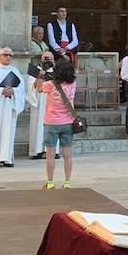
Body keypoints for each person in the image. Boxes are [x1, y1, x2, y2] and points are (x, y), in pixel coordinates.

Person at [39, 58, 78, 190]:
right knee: (67, 155)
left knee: (50, 155)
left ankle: (50, 182)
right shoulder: (73, 84)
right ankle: (67, 182)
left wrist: (42, 72)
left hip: (51, 122)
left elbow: (39, 87)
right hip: (68, 122)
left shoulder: (50, 85)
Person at [26, 48, 56, 157]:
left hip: (53, 103)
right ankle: (37, 150)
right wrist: (42, 73)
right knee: (38, 125)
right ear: (41, 60)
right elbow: (31, 87)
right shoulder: (35, 71)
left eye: (49, 59)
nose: (47, 61)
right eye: (45, 59)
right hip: (39, 102)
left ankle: (52, 151)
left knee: (52, 125)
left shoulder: (57, 72)